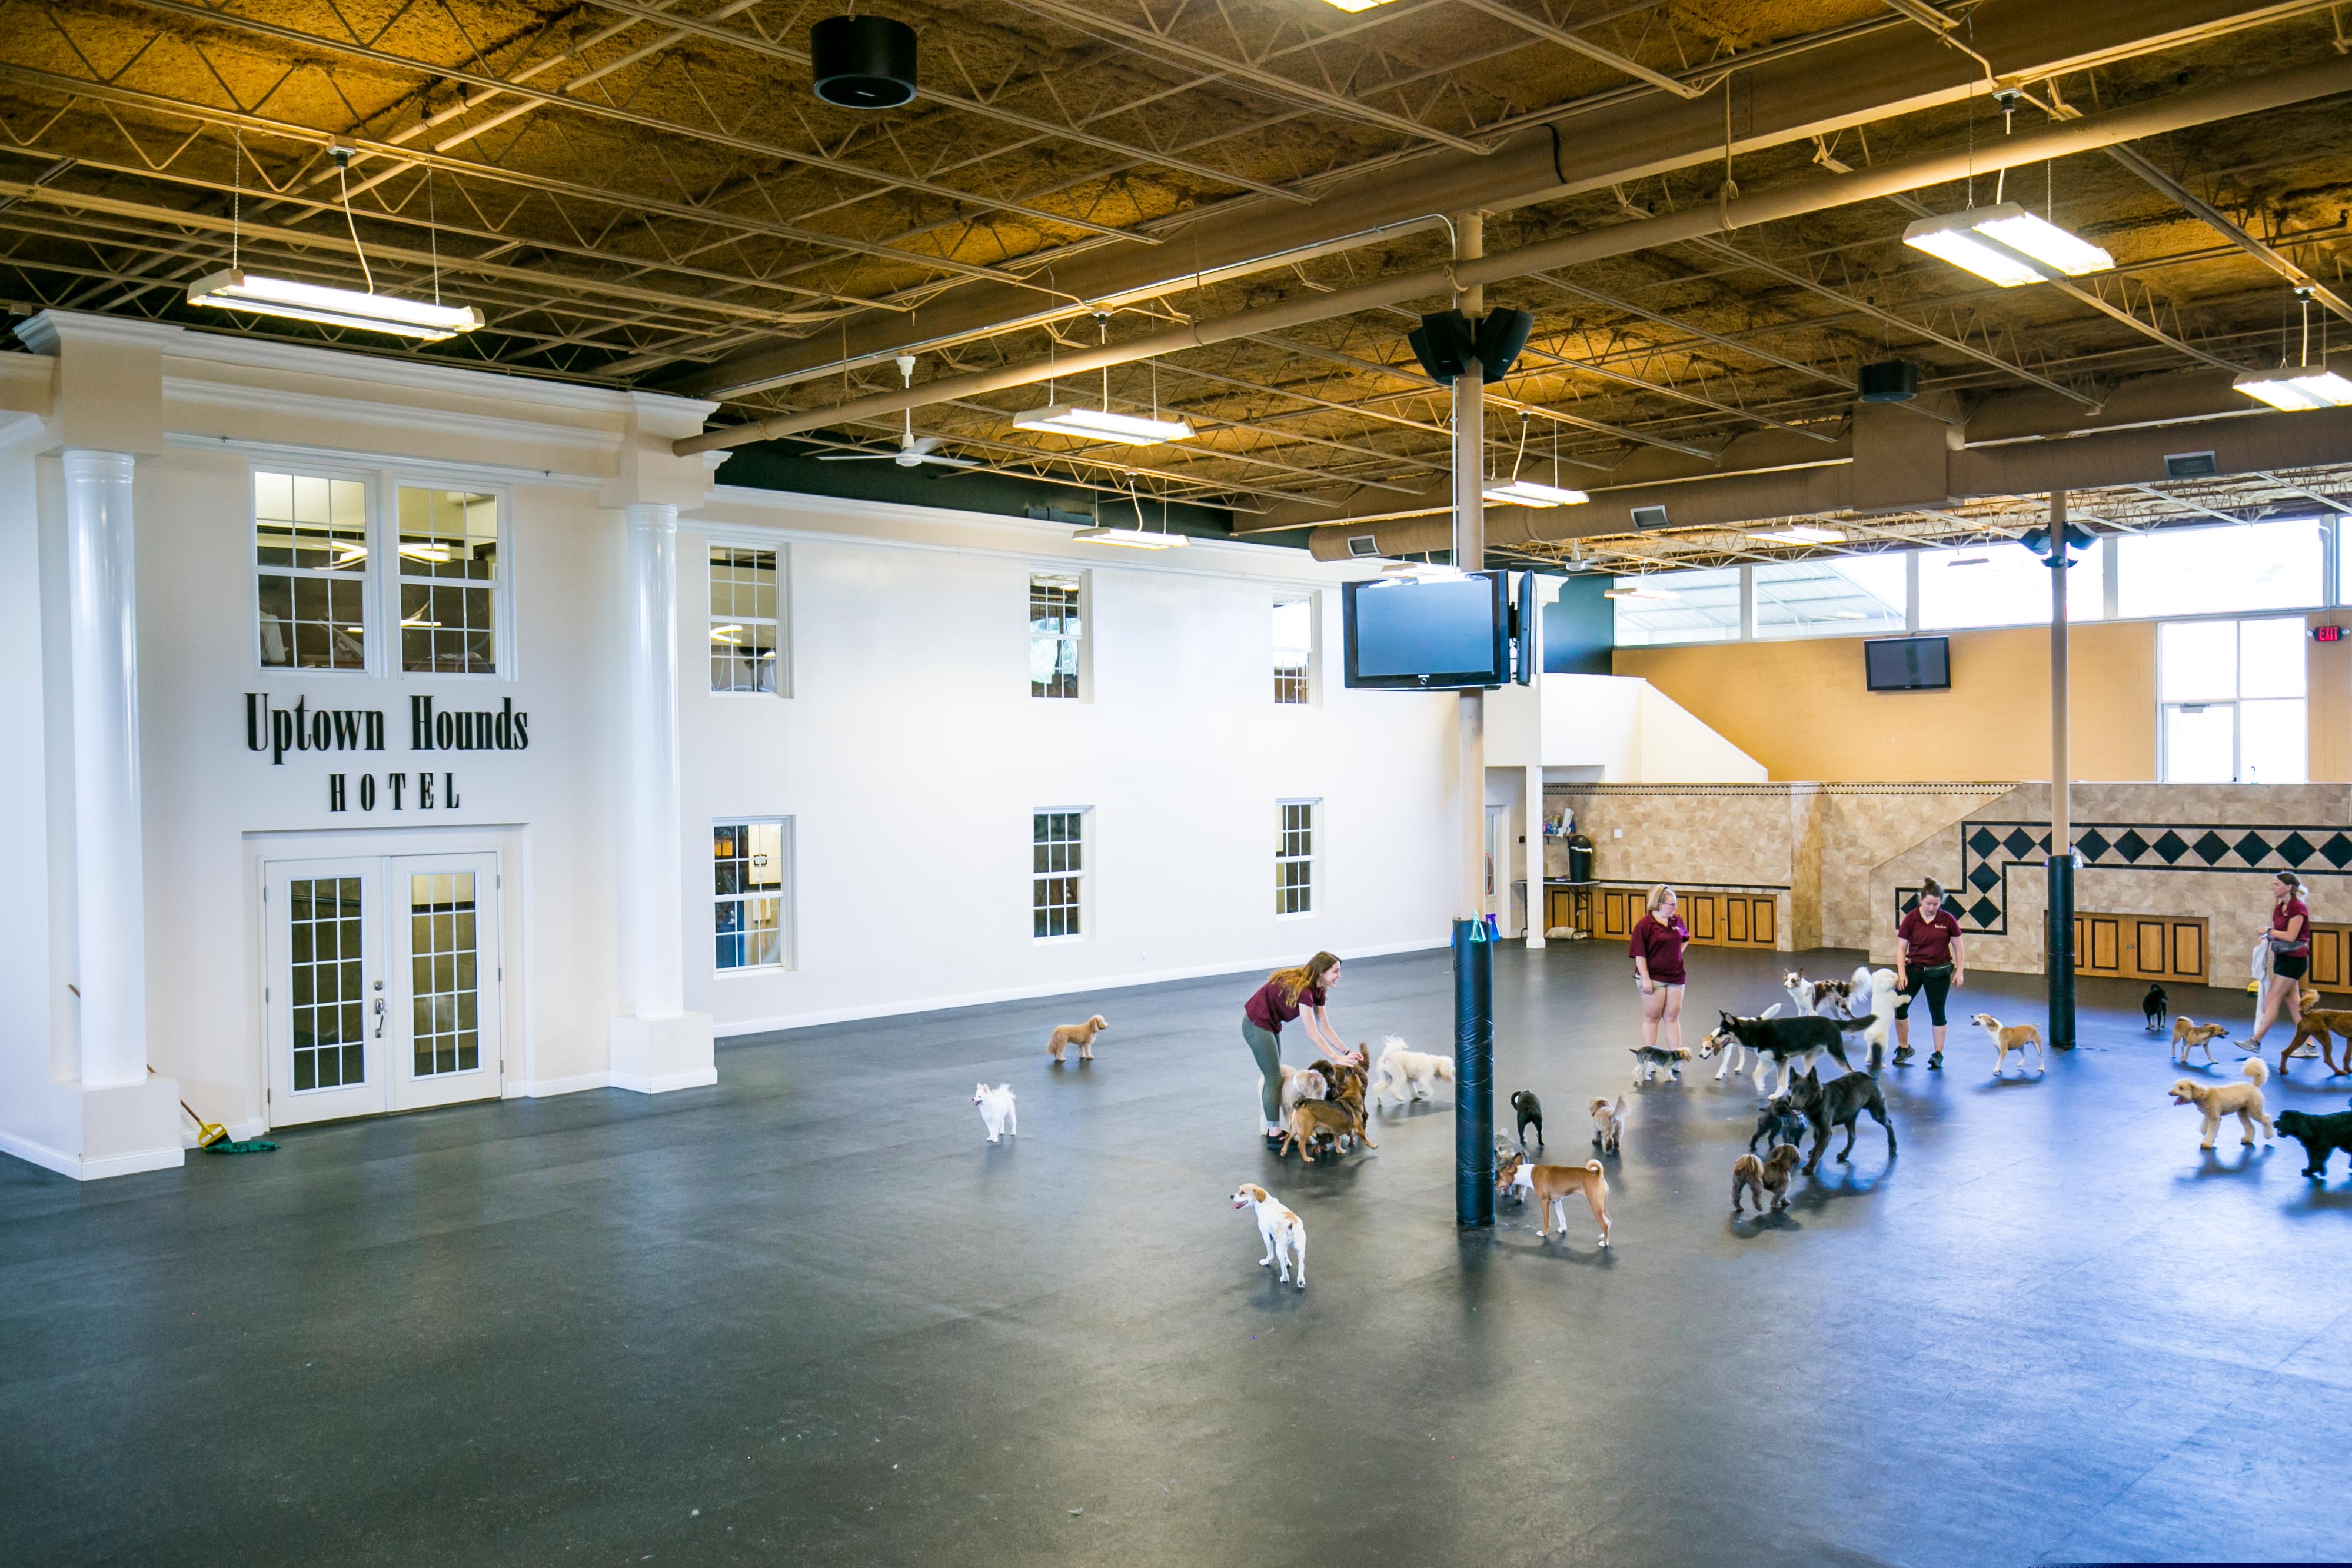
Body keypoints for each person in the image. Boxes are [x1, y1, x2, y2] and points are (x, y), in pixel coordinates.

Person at [1242, 952, 1359, 1144]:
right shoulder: (1305, 990)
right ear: (1322, 972)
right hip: (1256, 1025)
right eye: (1335, 971)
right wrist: (1335, 1058)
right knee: (1274, 1078)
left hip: (1269, 1025)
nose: (1340, 975)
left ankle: (1273, 1128)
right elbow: (1312, 1033)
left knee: (1276, 1075)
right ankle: (1274, 1135)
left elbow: (1324, 1026)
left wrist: (1346, 1052)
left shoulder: (1319, 988)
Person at [1892, 878, 1965, 1070]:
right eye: (1928, 904)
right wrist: (1901, 974)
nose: (1932, 908)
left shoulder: (1948, 919)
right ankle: (1903, 1047)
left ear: (1940, 903)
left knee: (1938, 1013)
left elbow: (1958, 945)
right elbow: (1901, 948)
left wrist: (1960, 970)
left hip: (1938, 972)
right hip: (1914, 969)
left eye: (1936, 904)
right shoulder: (1911, 918)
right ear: (1921, 901)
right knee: (1900, 1009)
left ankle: (1938, 1054)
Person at [2247, 871, 2310, 1061]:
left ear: (2288, 887)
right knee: (2293, 1003)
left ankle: (2256, 1040)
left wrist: (2268, 930)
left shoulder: (2298, 908)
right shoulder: (2279, 908)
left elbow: (2291, 936)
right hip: (2282, 957)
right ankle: (2309, 1045)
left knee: (2272, 998)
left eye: (2276, 884)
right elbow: (2280, 933)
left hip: (2294, 960)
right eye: (2272, 884)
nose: (2272, 887)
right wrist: (2268, 937)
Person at [1629, 884, 1689, 1056]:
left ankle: (1676, 1057)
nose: (1675, 908)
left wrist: (1676, 953)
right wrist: (1646, 979)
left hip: (1676, 976)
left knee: (1672, 1017)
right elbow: (1639, 954)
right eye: (1672, 905)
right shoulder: (1645, 925)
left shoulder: (1677, 921)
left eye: (1676, 905)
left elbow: (1685, 938)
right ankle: (1650, 1058)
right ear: (1660, 904)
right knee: (1653, 1018)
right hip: (1654, 977)